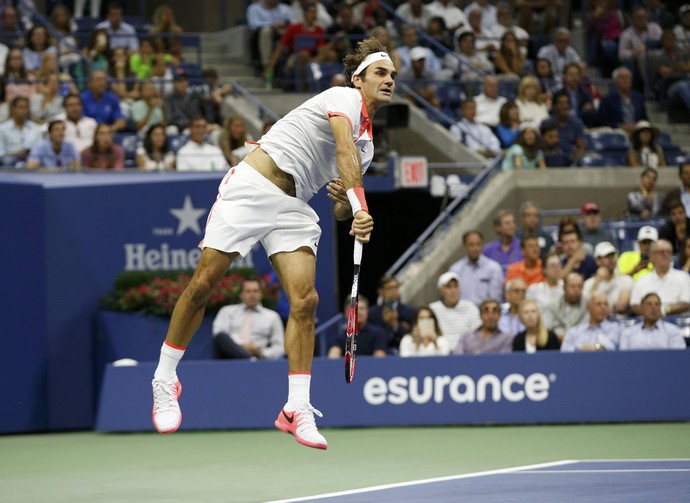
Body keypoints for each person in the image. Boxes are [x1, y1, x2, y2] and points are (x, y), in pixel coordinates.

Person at [150, 39, 395, 450]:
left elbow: (340, 200)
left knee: (307, 301)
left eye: (392, 75)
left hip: (293, 206)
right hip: (252, 186)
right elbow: (341, 149)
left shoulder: (367, 147)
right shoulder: (343, 97)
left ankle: (296, 407)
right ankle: (164, 378)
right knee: (203, 284)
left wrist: (346, 208)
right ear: (359, 79)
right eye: (381, 73)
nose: (389, 80)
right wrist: (361, 204)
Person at [212, 277, 285, 360]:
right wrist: (242, 345)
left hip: (259, 359)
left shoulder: (272, 317)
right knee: (221, 336)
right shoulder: (227, 311)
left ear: (261, 294)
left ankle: (250, 360)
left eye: (255, 291)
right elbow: (218, 334)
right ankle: (249, 360)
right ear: (241, 294)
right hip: (228, 358)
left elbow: (280, 347)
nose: (252, 295)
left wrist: (261, 352)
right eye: (248, 291)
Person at [264, 3, 328, 91]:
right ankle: (303, 89)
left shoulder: (319, 30)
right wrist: (270, 67)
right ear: (305, 13)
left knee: (330, 55)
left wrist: (332, 45)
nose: (314, 15)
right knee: (303, 55)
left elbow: (321, 51)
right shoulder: (294, 28)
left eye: (315, 13)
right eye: (311, 12)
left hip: (312, 59)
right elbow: (280, 48)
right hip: (294, 58)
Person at [630, 239, 690, 316]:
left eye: (668, 252)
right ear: (651, 256)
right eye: (661, 252)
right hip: (648, 323)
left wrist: (663, 310)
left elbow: (686, 303)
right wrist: (651, 313)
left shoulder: (684, 277)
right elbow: (634, 306)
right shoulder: (641, 280)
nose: (665, 254)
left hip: (676, 323)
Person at [448, 229, 504, 307]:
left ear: (483, 245)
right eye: (471, 245)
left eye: (478, 244)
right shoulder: (455, 270)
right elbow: (452, 297)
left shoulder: (494, 268)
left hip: (486, 314)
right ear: (464, 247)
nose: (475, 248)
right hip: (462, 314)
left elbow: (495, 298)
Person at [429, 271, 482, 351]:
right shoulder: (432, 309)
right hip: (440, 354)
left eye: (456, 286)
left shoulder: (470, 307)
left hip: (466, 354)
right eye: (449, 287)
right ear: (441, 291)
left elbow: (477, 335)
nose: (453, 290)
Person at [619, 293, 687, 350]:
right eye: (649, 304)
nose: (654, 307)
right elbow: (623, 358)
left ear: (660, 308)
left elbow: (679, 357)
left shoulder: (673, 331)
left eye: (657, 304)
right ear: (641, 309)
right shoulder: (628, 333)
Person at [367, 275, 417, 351]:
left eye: (396, 287)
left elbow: (412, 336)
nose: (394, 291)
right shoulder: (372, 313)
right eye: (390, 288)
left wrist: (395, 325)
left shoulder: (410, 311)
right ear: (380, 292)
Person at [583, 241, 634, 314]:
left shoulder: (626, 280)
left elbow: (621, 307)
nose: (611, 259)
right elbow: (586, 308)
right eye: (607, 256)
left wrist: (598, 310)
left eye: (612, 256)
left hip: (621, 323)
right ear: (598, 261)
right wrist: (597, 282)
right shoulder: (588, 284)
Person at [246, 0, 295, 74]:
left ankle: (285, 70)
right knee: (266, 31)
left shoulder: (285, 8)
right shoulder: (254, 8)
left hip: (281, 35)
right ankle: (266, 65)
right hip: (260, 36)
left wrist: (284, 24)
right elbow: (253, 25)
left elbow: (293, 24)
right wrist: (272, 25)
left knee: (288, 34)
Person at [597, 67, 648, 133]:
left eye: (628, 77)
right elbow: (602, 122)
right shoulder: (607, 100)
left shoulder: (638, 98)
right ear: (615, 81)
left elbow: (644, 119)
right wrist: (620, 126)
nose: (626, 80)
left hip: (637, 132)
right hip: (616, 133)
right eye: (622, 78)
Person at [540, 91, 586, 161]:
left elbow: (581, 147)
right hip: (550, 160)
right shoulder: (546, 123)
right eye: (560, 103)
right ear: (554, 105)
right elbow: (541, 146)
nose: (564, 106)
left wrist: (576, 158)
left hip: (570, 161)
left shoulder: (577, 123)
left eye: (567, 103)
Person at [543, 271, 589, 340]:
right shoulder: (552, 306)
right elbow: (545, 330)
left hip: (582, 345)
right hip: (556, 345)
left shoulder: (589, 306)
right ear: (564, 288)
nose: (576, 289)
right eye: (573, 286)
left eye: (579, 286)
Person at [0, 96, 42, 168]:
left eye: (26, 108)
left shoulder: (35, 128)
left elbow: (40, 150)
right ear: (13, 109)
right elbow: (1, 154)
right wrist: (16, 154)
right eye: (21, 107)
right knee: (7, 160)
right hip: (8, 164)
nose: (24, 111)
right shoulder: (2, 129)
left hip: (31, 162)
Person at [483, 209, 523, 274]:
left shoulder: (522, 246)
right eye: (507, 223)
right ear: (498, 228)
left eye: (513, 222)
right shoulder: (488, 249)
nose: (512, 226)